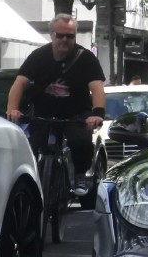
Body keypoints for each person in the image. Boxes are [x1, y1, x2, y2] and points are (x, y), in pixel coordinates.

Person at [6, 13, 106, 194]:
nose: (65, 40)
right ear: (51, 35)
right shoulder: (38, 56)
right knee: (32, 145)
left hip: (76, 114)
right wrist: (12, 109)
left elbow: (97, 87)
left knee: (80, 141)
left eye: (70, 36)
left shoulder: (86, 58)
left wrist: (97, 113)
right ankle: (32, 182)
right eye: (60, 35)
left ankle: (80, 175)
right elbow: (19, 83)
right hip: (43, 113)